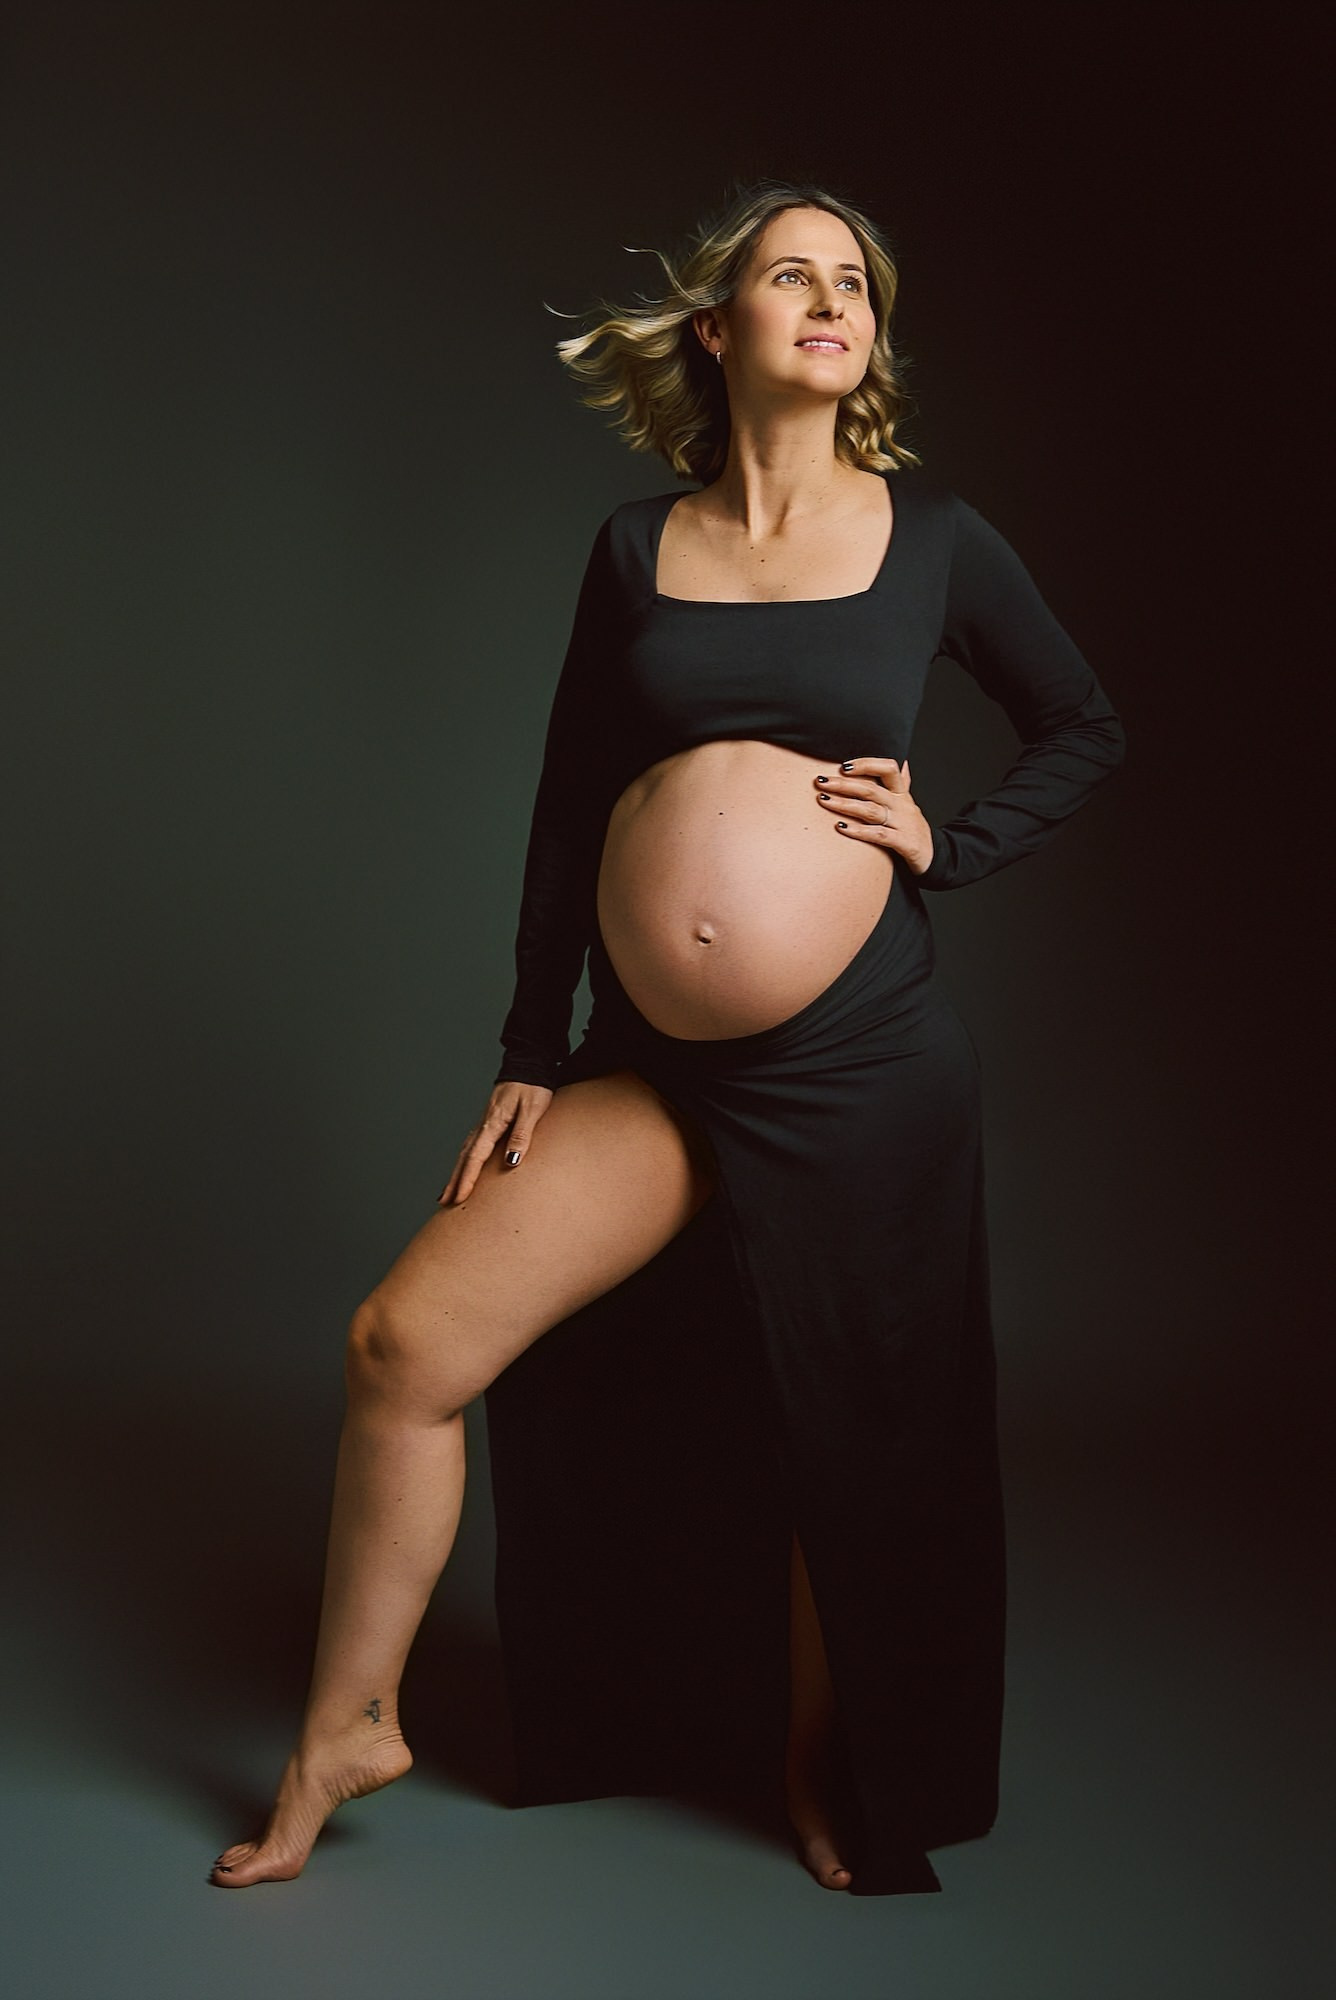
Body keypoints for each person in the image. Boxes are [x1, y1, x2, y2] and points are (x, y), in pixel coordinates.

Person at [210, 177, 1126, 1897]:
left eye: (853, 279)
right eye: (793, 274)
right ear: (720, 331)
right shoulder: (637, 547)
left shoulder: (933, 537)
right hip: (653, 1057)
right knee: (405, 1347)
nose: (832, 298)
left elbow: (1081, 725)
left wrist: (959, 841)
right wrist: (528, 1048)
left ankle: (812, 1763)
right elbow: (569, 811)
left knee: (847, 1428)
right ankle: (349, 1726)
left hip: (862, 1065)